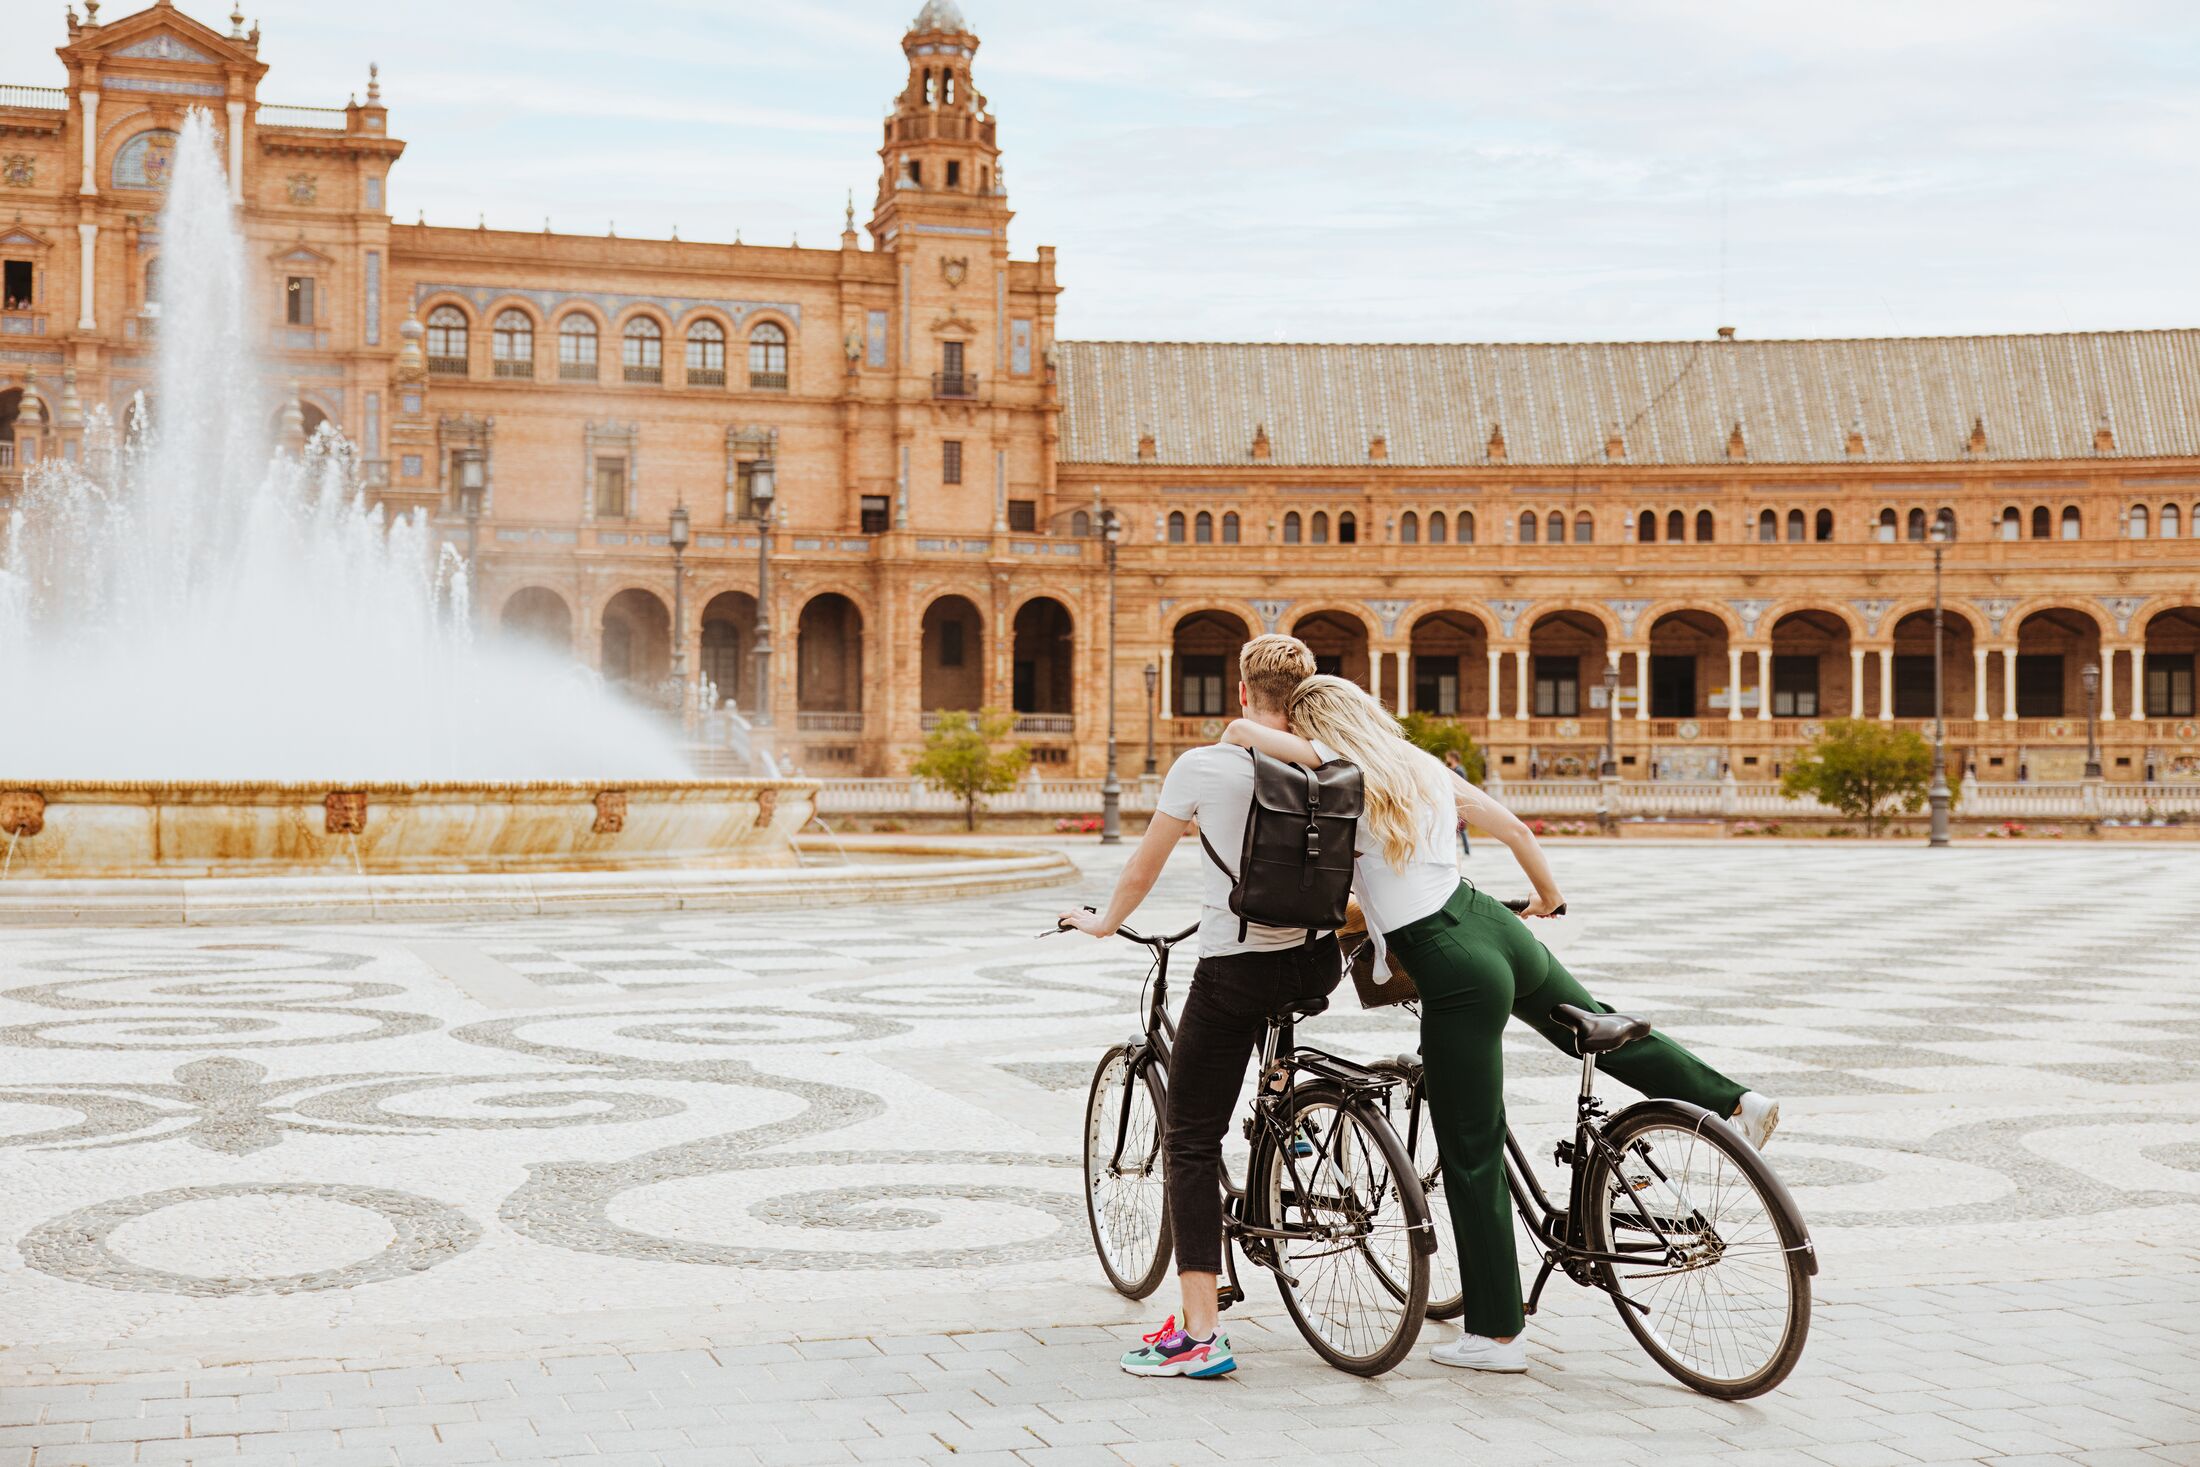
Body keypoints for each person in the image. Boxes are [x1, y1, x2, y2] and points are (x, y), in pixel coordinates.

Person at [1222, 675, 1779, 1376]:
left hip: (1447, 959)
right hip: (1497, 926)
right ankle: (1736, 1101)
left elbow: (1249, 739)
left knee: (1472, 1150)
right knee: (1600, 1028)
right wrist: (1549, 899)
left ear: (1314, 726)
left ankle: (1496, 1335)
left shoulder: (1335, 773)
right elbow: (1514, 828)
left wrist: (1245, 729)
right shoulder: (1419, 764)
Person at [1059, 633, 1338, 1381]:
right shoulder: (1339, 766)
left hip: (1236, 966)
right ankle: (1291, 1128)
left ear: (1242, 692)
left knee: (1190, 1138)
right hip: (1317, 962)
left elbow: (1144, 863)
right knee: (1267, 1049)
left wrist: (1105, 922)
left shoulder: (1205, 764)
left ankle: (1200, 1335)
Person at [1441, 749, 1472, 855]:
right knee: (1455, 828)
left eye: (1448, 758)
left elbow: (1461, 788)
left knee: (1460, 828)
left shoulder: (1459, 770)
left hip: (1458, 803)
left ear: (1453, 758)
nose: (1446, 760)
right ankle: (1454, 850)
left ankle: (1466, 850)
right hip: (1453, 803)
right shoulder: (1454, 769)